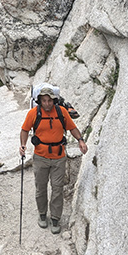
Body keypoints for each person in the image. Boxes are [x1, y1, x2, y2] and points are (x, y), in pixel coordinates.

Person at [19, 87, 88, 234]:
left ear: (54, 100)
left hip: (58, 157)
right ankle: (42, 215)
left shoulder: (61, 112)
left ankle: (55, 218)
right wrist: (23, 145)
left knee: (57, 188)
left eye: (50, 100)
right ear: (40, 101)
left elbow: (72, 127)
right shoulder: (33, 113)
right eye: (44, 101)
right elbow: (24, 130)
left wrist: (81, 140)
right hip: (40, 157)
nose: (47, 103)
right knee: (41, 187)